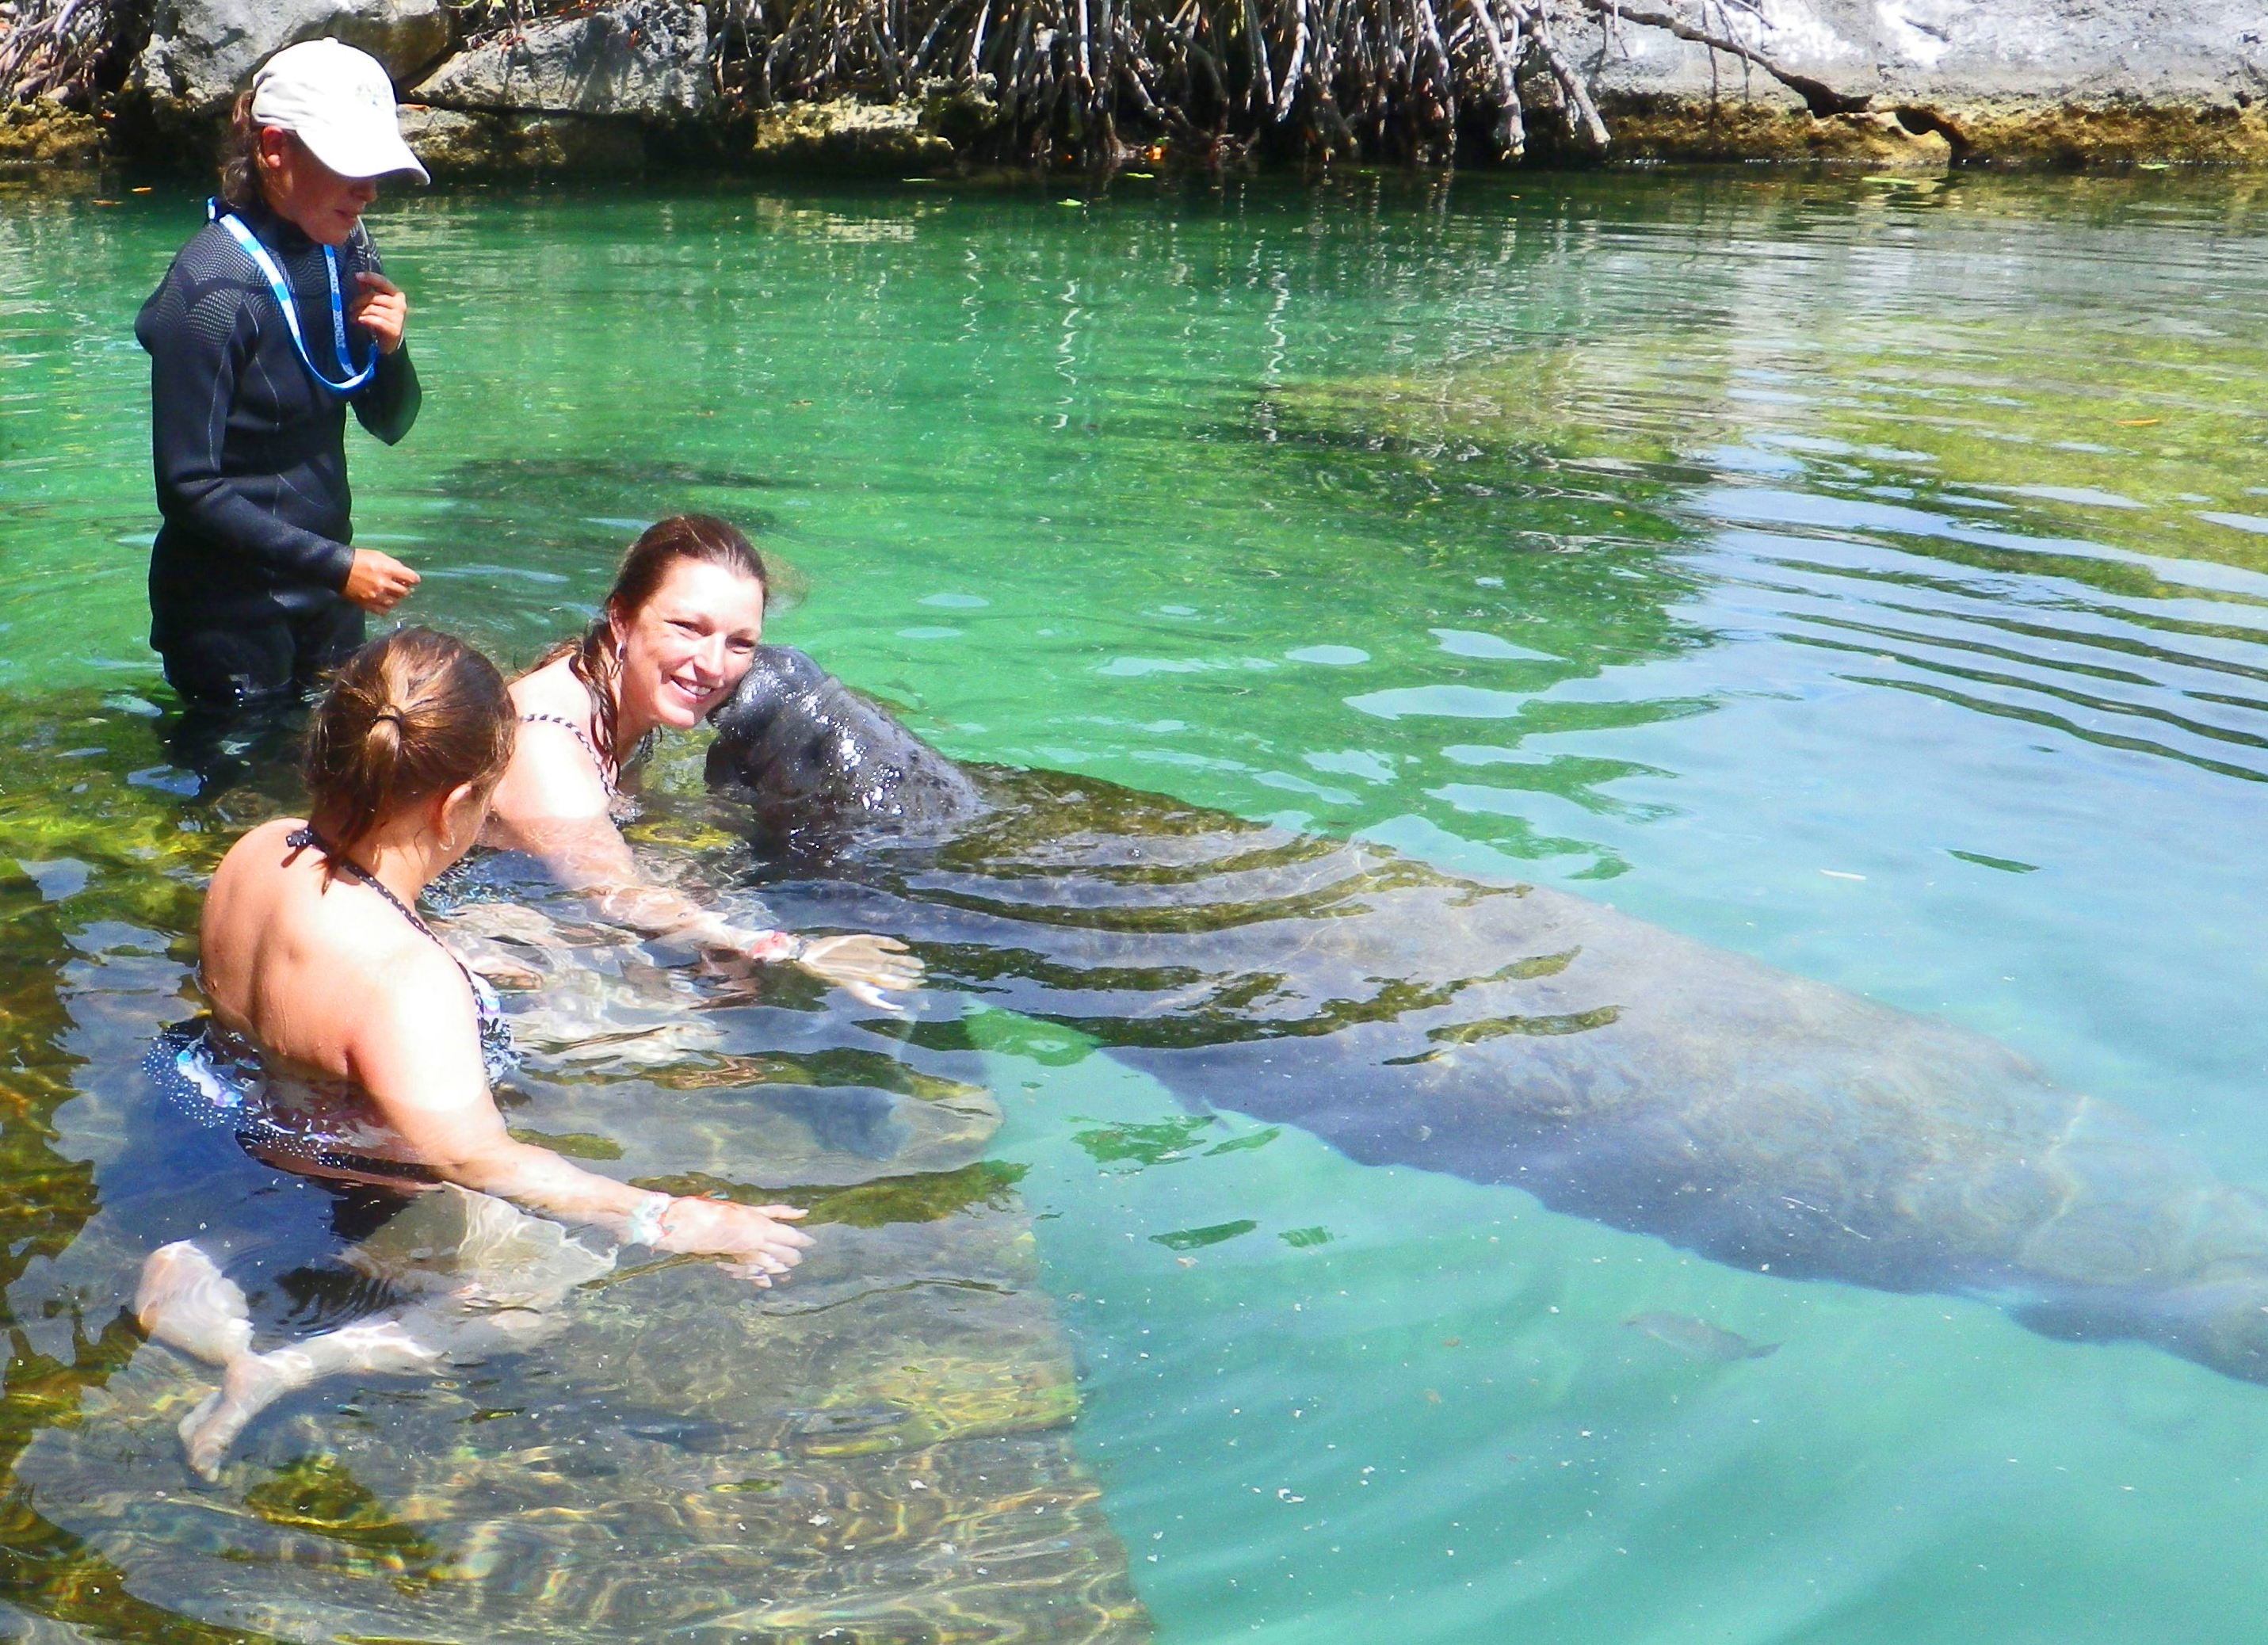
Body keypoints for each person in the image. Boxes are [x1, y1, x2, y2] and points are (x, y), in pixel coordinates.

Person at [136, 628, 815, 1479]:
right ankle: (283, 1360)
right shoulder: (405, 980)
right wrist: (667, 1218)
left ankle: (209, 1289)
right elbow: (474, 1156)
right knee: (540, 1292)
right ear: (458, 804)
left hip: (247, 1141)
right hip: (365, 1194)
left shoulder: (259, 850)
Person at [484, 514, 923, 1010]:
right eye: (688, 628)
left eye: (740, 643)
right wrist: (794, 949)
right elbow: (612, 893)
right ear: (621, 618)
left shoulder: (614, 693)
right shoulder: (546, 749)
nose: (714, 666)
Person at [134, 39, 426, 717]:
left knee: (345, 786)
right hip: (227, 619)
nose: (369, 191)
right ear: (274, 150)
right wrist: (339, 566)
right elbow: (188, 490)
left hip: (327, 600)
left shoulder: (344, 245)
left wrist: (392, 351)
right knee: (238, 803)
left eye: (376, 167)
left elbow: (389, 422)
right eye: (349, 165)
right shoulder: (208, 290)